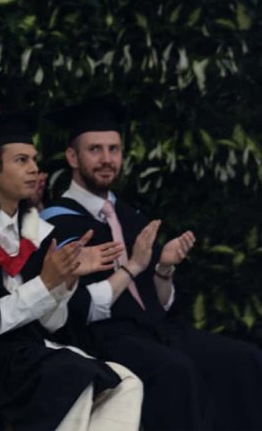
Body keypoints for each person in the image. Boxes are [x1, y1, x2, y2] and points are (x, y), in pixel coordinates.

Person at [42, 96, 262, 430]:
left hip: (154, 329)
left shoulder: (131, 217)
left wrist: (163, 268)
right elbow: (77, 309)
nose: (106, 159)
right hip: (103, 335)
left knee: (244, 359)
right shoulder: (58, 223)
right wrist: (134, 266)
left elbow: (156, 304)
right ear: (72, 157)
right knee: (174, 370)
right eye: (95, 149)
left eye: (114, 150)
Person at [0, 111, 142, 431]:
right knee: (72, 378)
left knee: (126, 384)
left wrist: (66, 281)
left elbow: (52, 322)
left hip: (28, 354)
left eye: (34, 160)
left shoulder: (34, 230)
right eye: (22, 160)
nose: (34, 169)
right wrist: (46, 283)